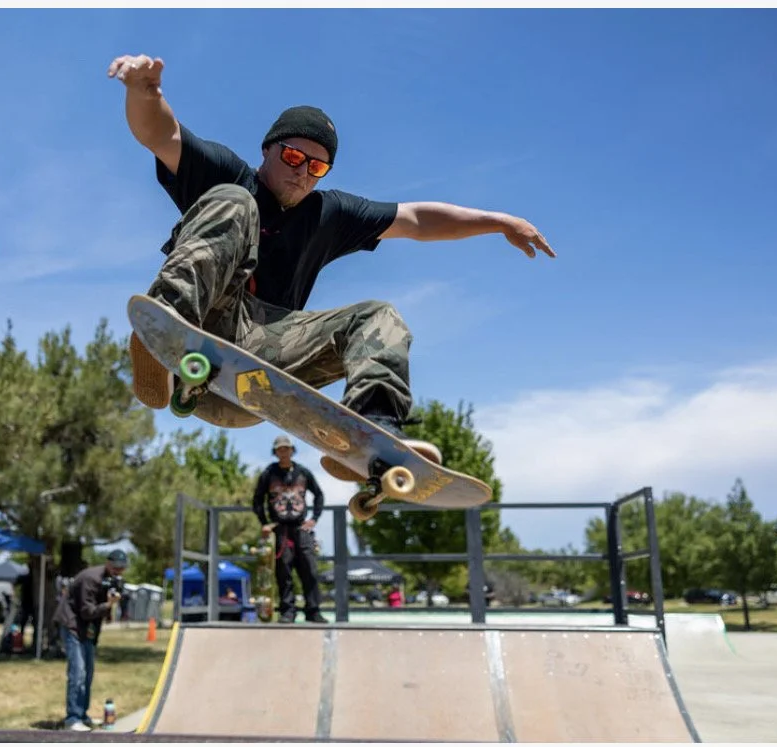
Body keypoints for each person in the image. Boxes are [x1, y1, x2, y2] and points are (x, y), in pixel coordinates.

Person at [108, 54, 555, 470]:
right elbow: (160, 134)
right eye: (294, 157)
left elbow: (417, 219)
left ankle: (375, 430)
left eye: (316, 168)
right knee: (234, 201)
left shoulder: (328, 214)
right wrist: (144, 92)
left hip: (261, 367)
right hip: (205, 335)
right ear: (269, 150)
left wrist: (499, 221)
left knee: (380, 317)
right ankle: (166, 327)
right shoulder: (228, 172)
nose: (302, 172)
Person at [252, 435, 327, 624]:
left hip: (302, 527)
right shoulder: (269, 473)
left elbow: (318, 495)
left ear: (292, 450)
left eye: (286, 448)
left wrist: (314, 520)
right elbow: (257, 500)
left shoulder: (303, 472)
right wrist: (264, 523)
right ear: (275, 452)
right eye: (280, 449)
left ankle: (313, 610)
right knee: (283, 570)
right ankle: (287, 611)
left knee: (309, 569)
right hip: (280, 528)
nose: (283, 452)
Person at [53, 550, 127, 732]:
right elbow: (87, 611)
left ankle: (82, 715)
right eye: (116, 567)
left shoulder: (112, 580)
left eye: (122, 568)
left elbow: (98, 611)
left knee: (88, 674)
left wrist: (110, 607)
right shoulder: (90, 579)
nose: (119, 571)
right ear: (108, 563)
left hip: (87, 629)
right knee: (78, 673)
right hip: (72, 625)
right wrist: (109, 605)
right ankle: (72, 719)